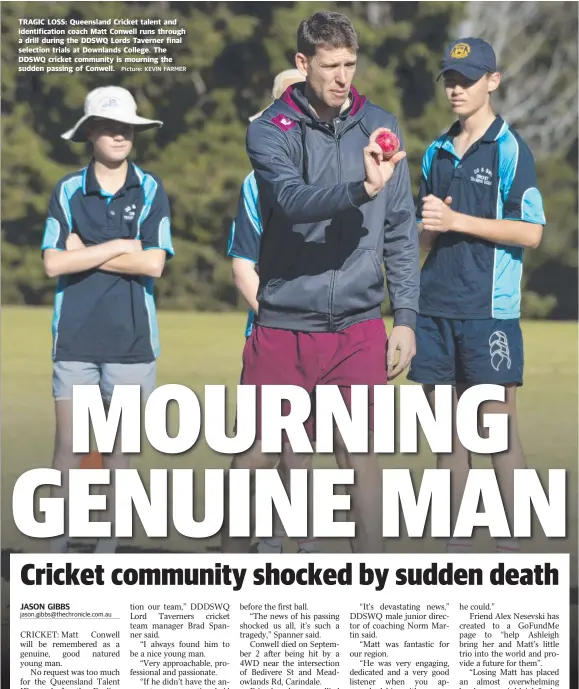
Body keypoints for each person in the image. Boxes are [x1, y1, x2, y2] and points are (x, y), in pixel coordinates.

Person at [226, 11, 420, 555]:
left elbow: (401, 229)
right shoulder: (268, 131)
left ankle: (372, 590)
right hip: (284, 325)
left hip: (358, 327)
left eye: (350, 66)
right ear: (302, 63)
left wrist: (404, 318)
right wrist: (361, 187)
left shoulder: (379, 125)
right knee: (256, 455)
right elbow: (291, 203)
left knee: (361, 457)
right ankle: (222, 582)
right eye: (330, 66)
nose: (342, 78)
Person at [408, 38, 546, 554]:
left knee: (496, 435)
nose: (456, 88)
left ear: (493, 81)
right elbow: (427, 236)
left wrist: (457, 221)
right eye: (450, 78)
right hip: (433, 310)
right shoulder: (436, 152)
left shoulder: (511, 150)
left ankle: (515, 553)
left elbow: (530, 233)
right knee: (448, 439)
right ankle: (456, 548)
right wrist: (418, 236)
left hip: (488, 314)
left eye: (467, 79)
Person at [42, 85, 174, 554]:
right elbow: (54, 263)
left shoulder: (152, 188)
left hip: (133, 344)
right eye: (111, 127)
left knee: (121, 455)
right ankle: (55, 548)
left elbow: (154, 263)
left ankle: (109, 550)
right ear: (91, 132)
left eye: (128, 129)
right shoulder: (68, 189)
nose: (120, 136)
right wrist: (122, 246)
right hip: (75, 340)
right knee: (69, 451)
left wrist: (88, 251)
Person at [224, 69, 323, 555]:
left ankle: (297, 543)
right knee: (258, 446)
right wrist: (279, 315)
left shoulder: (339, 164)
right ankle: (245, 545)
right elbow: (243, 264)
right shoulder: (256, 179)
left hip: (326, 335)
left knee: (301, 447)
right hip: (273, 329)